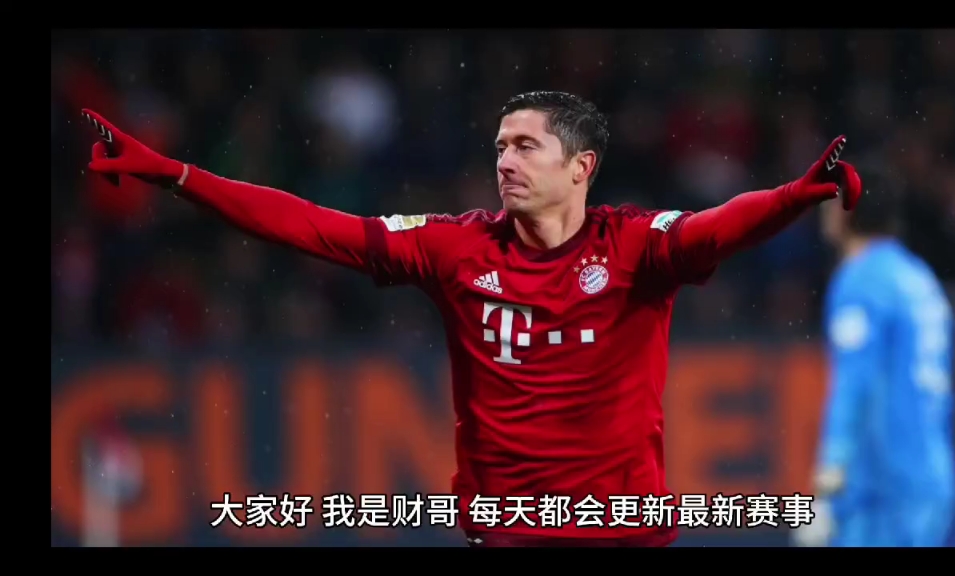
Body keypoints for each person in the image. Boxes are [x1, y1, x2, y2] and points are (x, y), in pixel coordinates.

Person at [80, 91, 862, 548]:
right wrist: (174, 174)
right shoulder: (455, 248)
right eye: (500, 146)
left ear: (581, 167)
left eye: (526, 146)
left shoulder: (632, 246)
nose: (505, 161)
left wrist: (795, 196)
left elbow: (717, 227)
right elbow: (313, 226)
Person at [795, 172, 955, 547]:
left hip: (882, 487)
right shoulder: (919, 278)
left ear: (844, 210)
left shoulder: (862, 280)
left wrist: (829, 482)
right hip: (930, 474)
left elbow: (855, 385)